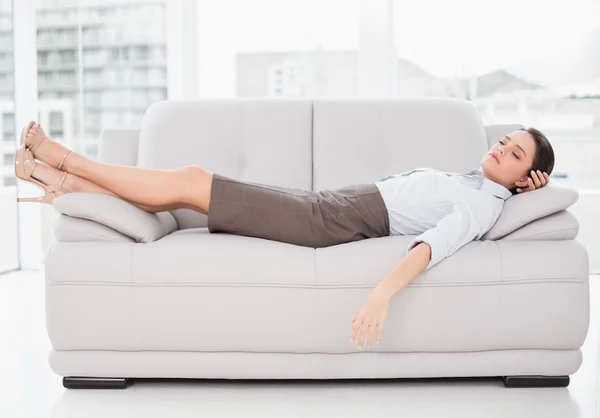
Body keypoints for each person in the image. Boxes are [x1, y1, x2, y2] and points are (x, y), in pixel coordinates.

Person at [14, 121, 553, 350]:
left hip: (326, 221)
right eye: (505, 140)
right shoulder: (471, 181)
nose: (500, 148)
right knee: (186, 192)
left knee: (191, 182)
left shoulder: (481, 205)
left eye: (515, 154)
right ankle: (61, 182)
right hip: (328, 206)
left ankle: (66, 161)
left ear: (526, 178)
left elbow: (432, 246)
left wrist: (381, 293)